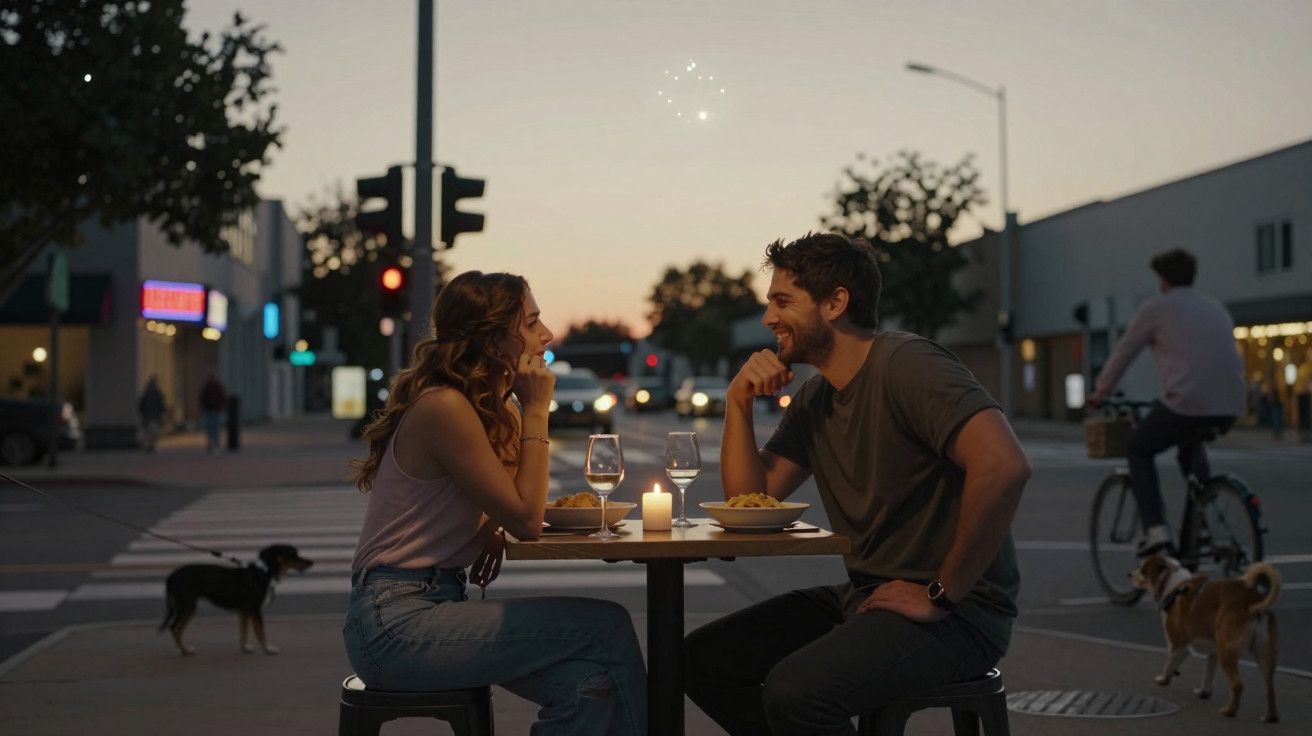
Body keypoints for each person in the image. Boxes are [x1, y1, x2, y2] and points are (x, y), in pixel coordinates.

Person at [685, 233, 1030, 735]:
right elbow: (748, 501)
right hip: (868, 596)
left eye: (782, 301)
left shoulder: (908, 364)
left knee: (794, 693)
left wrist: (940, 593)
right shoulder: (814, 400)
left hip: (961, 614)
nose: (768, 319)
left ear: (836, 303)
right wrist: (737, 404)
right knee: (700, 661)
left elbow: (1005, 466)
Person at [343, 271, 647, 735]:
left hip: (436, 604)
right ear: (491, 340)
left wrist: (489, 524)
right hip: (395, 623)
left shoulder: (487, 409)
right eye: (531, 323)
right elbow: (527, 518)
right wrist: (537, 410)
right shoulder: (444, 407)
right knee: (607, 626)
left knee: (591, 683)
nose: (546, 335)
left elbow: (514, 504)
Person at [1088, 248, 1245, 556]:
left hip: (1187, 402)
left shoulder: (1156, 308)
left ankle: (1156, 530)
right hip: (1231, 405)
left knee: (1138, 447)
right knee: (1189, 444)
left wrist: (1100, 391)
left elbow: (1125, 352)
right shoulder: (1216, 308)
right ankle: (1204, 508)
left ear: (1162, 279)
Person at [199, 374, 227, 454]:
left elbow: (202, 398)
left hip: (210, 409)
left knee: (211, 427)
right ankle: (214, 444)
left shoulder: (207, 387)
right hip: (214, 409)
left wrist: (202, 408)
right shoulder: (217, 387)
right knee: (215, 427)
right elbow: (222, 397)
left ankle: (212, 443)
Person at [138, 375, 166, 452]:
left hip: (148, 416)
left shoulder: (146, 394)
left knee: (148, 432)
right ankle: (150, 445)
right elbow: (161, 405)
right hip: (154, 416)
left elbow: (141, 405)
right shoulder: (157, 394)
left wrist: (142, 413)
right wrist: (162, 413)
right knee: (153, 432)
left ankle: (149, 445)